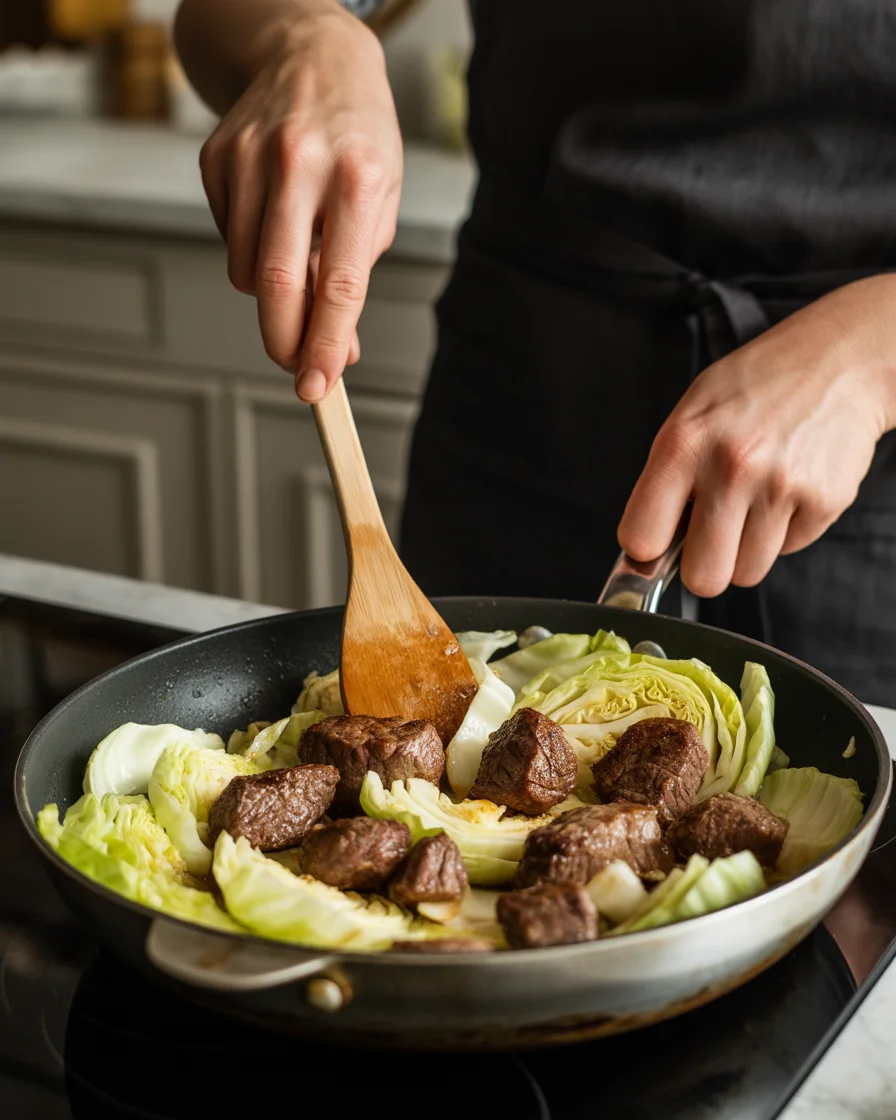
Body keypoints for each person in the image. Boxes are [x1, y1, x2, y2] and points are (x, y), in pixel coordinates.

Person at [174, 0, 896, 704]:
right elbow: (216, 15)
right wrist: (306, 35)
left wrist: (866, 357)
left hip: (862, 464)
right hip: (519, 391)